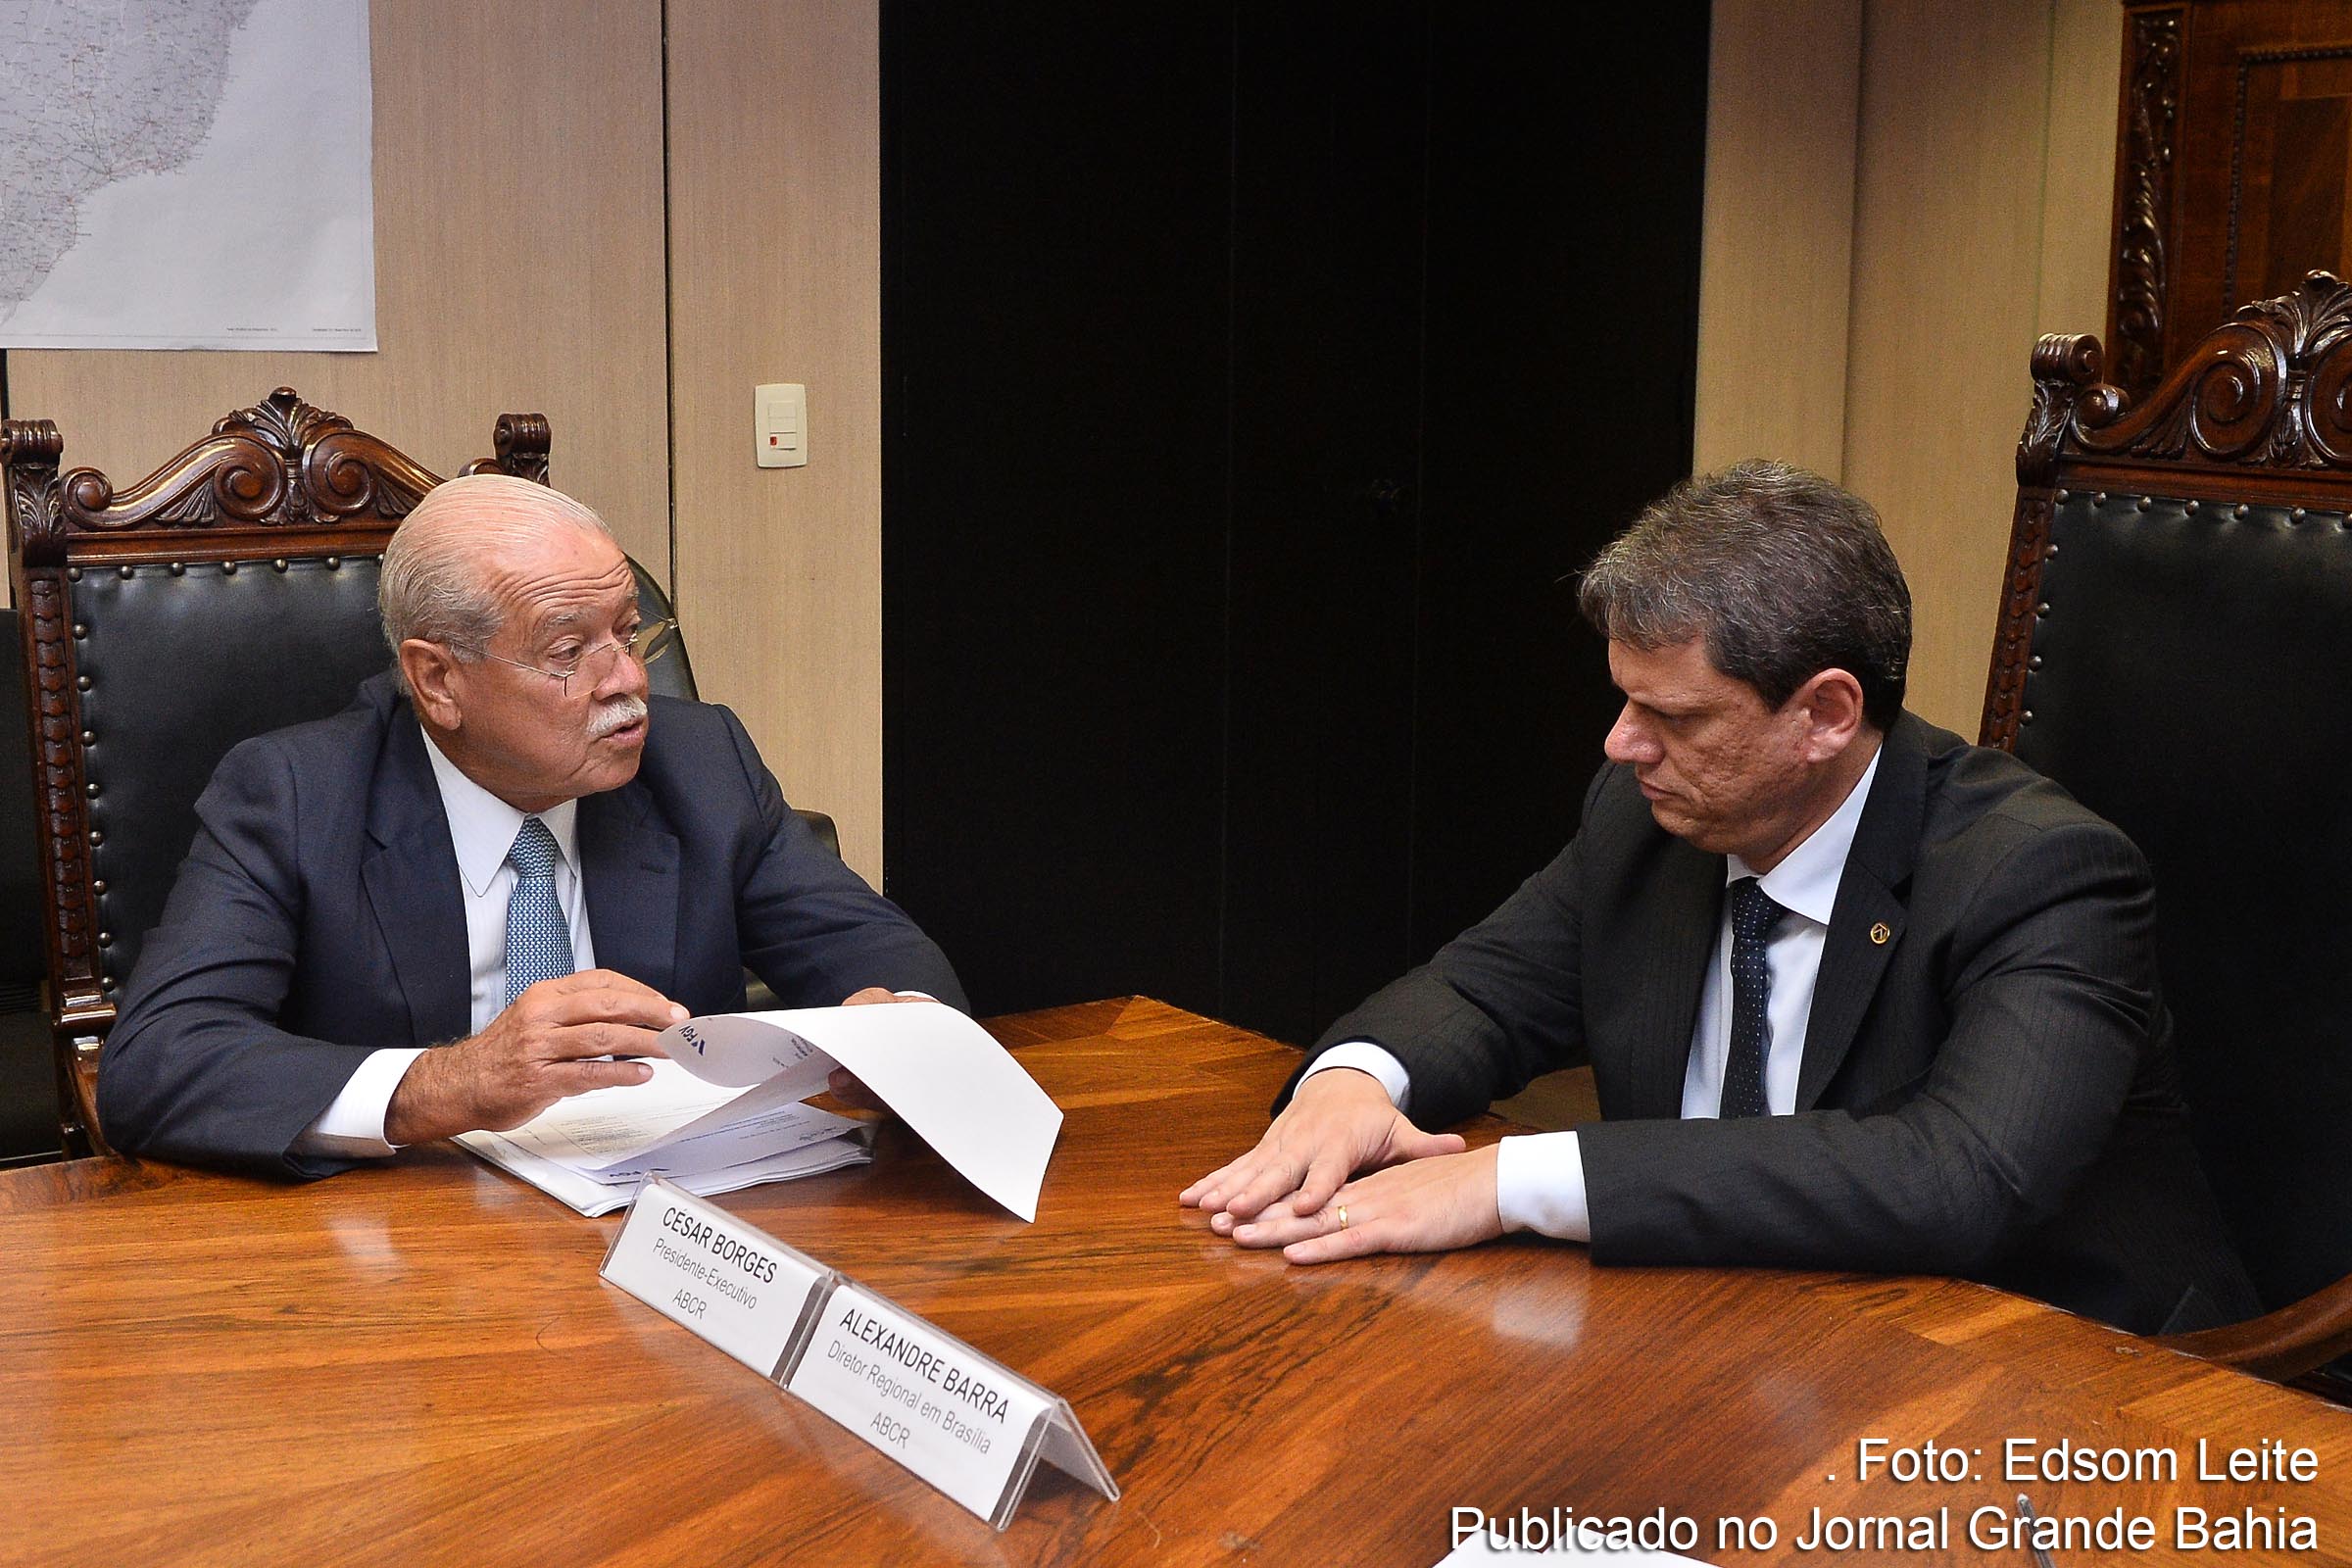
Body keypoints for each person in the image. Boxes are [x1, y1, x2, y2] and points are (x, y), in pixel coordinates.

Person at [1182, 461, 2256, 1334]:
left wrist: (1507, 1181)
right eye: (1624, 702)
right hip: (1724, 1334)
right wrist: (1354, 1082)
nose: (1622, 745)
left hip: (2052, 1379)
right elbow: (1479, 990)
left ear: (1826, 715)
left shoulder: (2044, 875)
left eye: (1677, 716)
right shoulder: (1651, 819)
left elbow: (1957, 1176)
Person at [101, 474, 964, 1178]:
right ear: (438, 681)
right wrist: (449, 1083)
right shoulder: (294, 795)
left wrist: (897, 1034)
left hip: (683, 1231)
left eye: (629, 634)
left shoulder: (700, 764)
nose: (627, 680)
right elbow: (158, 1063)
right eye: (567, 653)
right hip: (403, 1253)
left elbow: (888, 956)